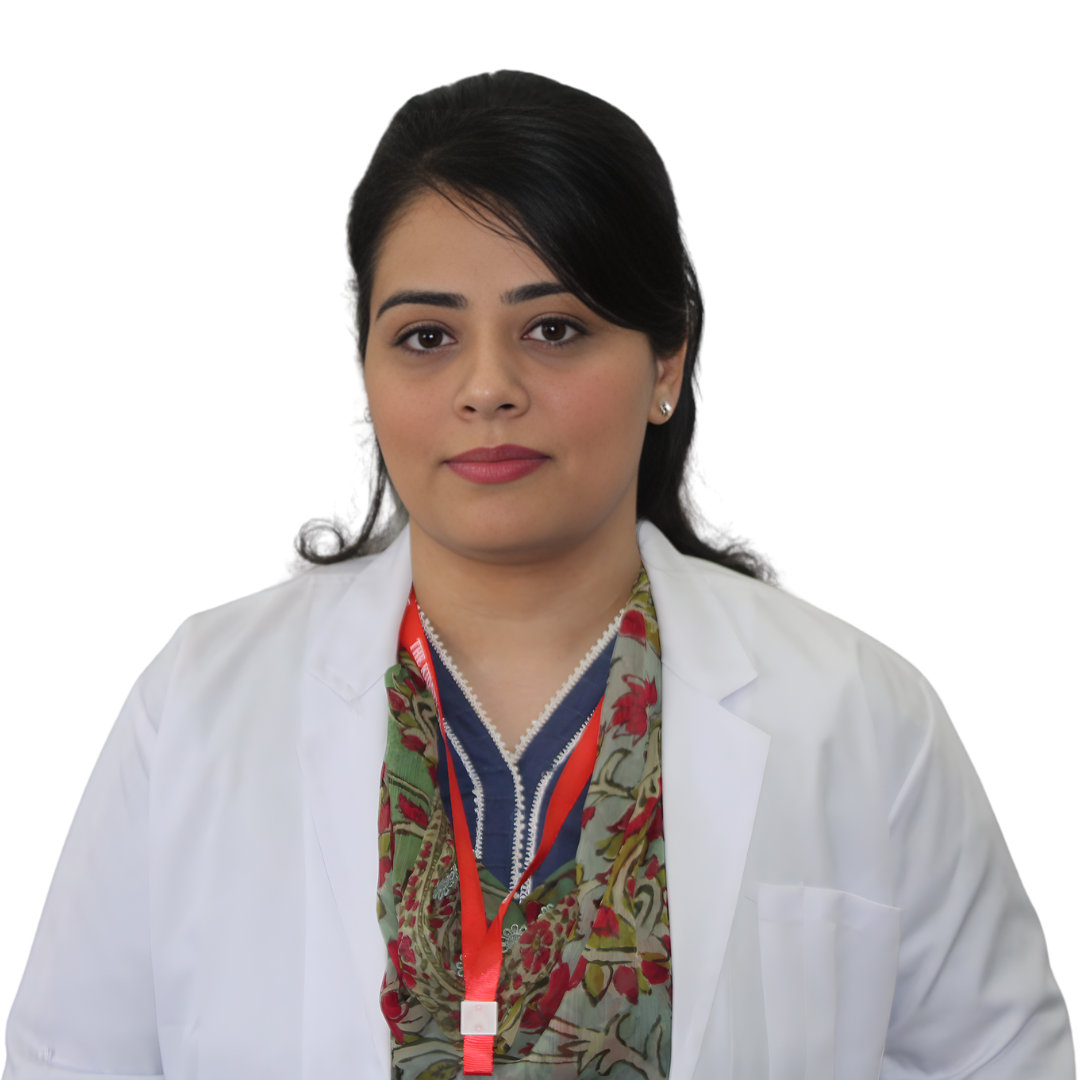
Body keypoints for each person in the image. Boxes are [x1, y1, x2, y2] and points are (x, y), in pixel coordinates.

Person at [3, 70, 1073, 1080]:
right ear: (366, 366)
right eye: (427, 335)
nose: (487, 386)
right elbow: (67, 1062)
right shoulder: (201, 701)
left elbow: (1005, 1062)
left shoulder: (856, 713)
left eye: (554, 329)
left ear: (666, 361)